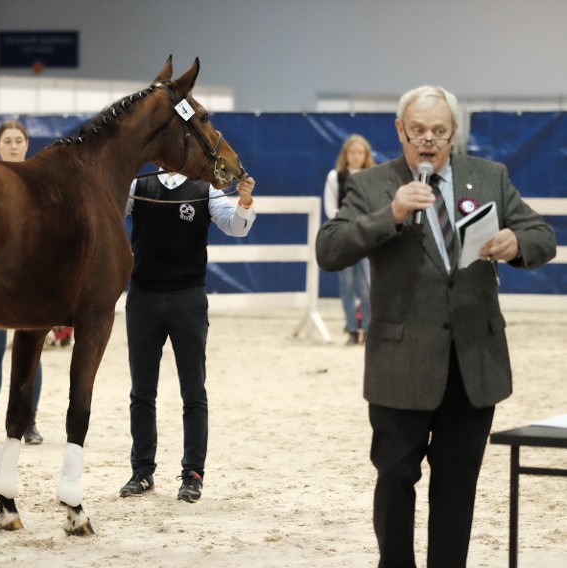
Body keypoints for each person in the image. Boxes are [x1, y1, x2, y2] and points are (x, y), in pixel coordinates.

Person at [316, 85, 556, 566]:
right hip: (399, 367)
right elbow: (331, 248)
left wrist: (516, 243)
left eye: (439, 131)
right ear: (400, 131)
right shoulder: (372, 185)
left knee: (457, 489)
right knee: (395, 482)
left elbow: (543, 236)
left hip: (473, 365)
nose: (429, 140)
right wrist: (393, 213)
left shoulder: (489, 177)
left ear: (454, 133)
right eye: (419, 130)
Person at [119, 169, 257, 503]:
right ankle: (142, 472)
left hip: (187, 299)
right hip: (143, 298)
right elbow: (109, 207)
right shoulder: (138, 186)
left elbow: (236, 227)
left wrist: (245, 201)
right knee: (141, 391)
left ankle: (193, 474)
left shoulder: (205, 190)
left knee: (193, 391)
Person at [0, 121, 45, 446]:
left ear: (27, 144)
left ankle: (29, 421)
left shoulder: (40, 185)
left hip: (32, 280)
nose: (14, 146)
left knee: (32, 352)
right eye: (8, 141)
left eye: (19, 140)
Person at [323, 134, 376, 345]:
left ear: (366, 155)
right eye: (352, 152)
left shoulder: (373, 176)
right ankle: (353, 330)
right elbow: (330, 206)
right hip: (344, 237)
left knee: (368, 287)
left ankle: (368, 329)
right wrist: (345, 224)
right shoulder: (335, 177)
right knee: (347, 286)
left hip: (366, 237)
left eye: (360, 152)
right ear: (346, 155)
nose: (356, 156)